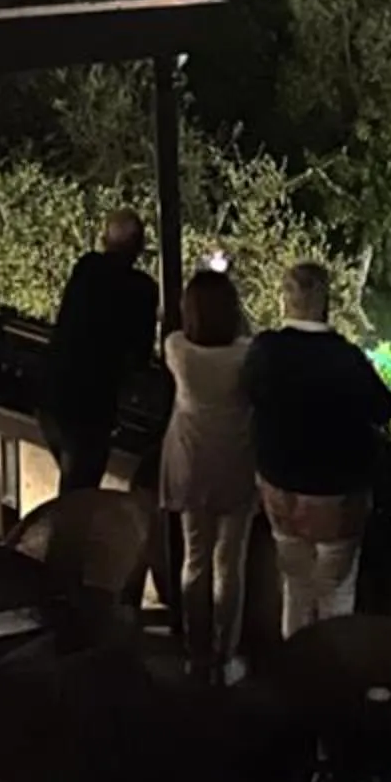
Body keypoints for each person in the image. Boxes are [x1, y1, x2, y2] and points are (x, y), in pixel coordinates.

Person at [243, 262, 391, 637]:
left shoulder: (265, 350)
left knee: (295, 588)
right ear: (326, 301)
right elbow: (384, 408)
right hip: (336, 495)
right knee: (335, 593)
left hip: (280, 489)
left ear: (286, 298)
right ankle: (332, 677)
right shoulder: (346, 359)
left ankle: (295, 668)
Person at [160, 264, 257, 681]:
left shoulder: (178, 349)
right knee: (229, 562)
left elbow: (173, 325)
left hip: (190, 462)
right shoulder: (245, 355)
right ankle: (226, 651)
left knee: (194, 557)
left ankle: (194, 650)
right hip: (235, 461)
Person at [39, 209, 159, 493]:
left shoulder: (86, 267)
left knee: (73, 484)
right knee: (80, 488)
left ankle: (63, 532)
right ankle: (68, 536)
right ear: (139, 246)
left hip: (52, 390)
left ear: (105, 239)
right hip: (92, 403)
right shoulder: (142, 289)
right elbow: (139, 355)